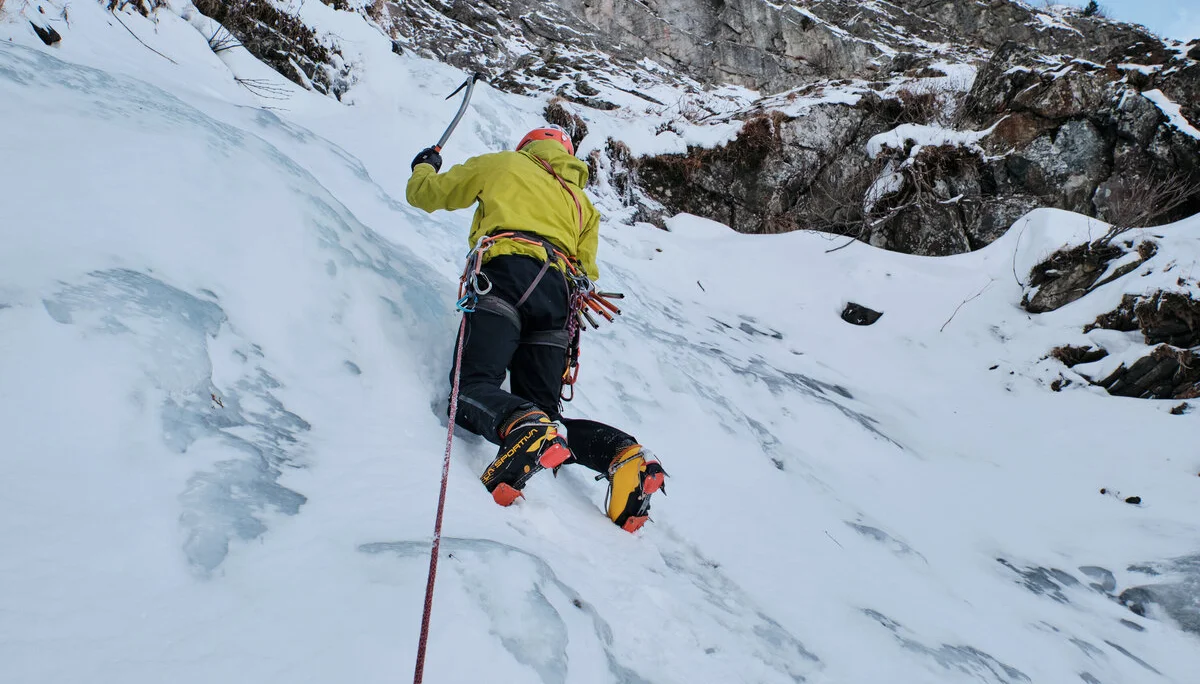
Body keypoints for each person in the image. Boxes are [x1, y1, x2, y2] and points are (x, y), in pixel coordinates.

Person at [406, 125, 666, 532]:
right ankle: (621, 454)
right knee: (546, 415)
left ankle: (524, 427)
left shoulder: (505, 164)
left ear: (528, 147)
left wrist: (424, 167)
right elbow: (587, 268)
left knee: (472, 386)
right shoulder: (582, 204)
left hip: (507, 276)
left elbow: (427, 195)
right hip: (559, 297)